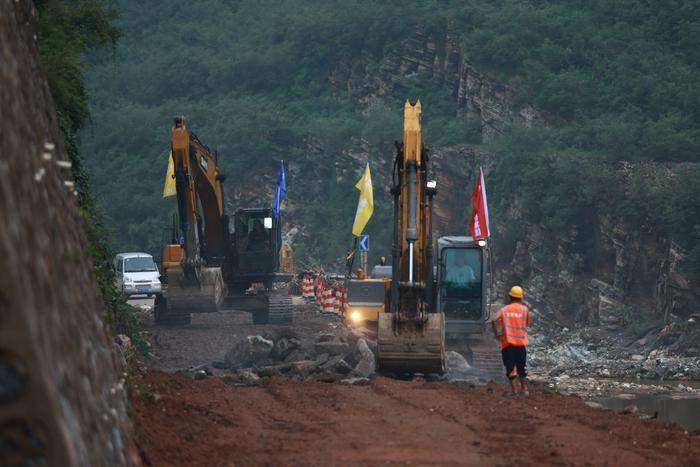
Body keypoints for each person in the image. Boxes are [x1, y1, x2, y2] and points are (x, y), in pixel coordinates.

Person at [492, 285, 530, 396]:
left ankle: (514, 391)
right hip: (521, 344)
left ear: (510, 297)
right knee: (521, 367)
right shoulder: (525, 310)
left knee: (510, 367)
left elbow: (494, 320)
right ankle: (524, 390)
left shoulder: (504, 310)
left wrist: (497, 335)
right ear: (521, 298)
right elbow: (526, 324)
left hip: (508, 343)